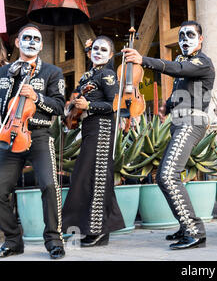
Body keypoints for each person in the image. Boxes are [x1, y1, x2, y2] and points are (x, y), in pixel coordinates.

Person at [123, 21, 215, 250]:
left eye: (190, 35)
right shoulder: (185, 62)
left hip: (192, 123)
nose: (185, 39)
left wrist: (143, 59)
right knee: (166, 175)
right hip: (180, 122)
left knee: (167, 175)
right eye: (181, 35)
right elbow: (181, 87)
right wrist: (167, 106)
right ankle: (186, 227)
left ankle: (194, 231)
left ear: (201, 39)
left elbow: (179, 69)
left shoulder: (202, 62)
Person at [0, 24, 66, 259]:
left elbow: (59, 106)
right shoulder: (3, 72)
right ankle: (13, 240)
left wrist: (37, 97)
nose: (31, 42)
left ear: (41, 44)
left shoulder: (52, 72)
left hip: (38, 135)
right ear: (17, 42)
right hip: (8, 137)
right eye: (26, 38)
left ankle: (54, 240)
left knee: (49, 185)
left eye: (36, 39)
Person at [62, 35, 125, 247]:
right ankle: (93, 229)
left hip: (102, 128)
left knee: (97, 178)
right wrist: (72, 108)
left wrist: (89, 106)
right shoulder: (87, 76)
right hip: (89, 128)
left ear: (110, 55)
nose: (98, 52)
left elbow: (113, 105)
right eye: (95, 49)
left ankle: (99, 231)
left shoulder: (107, 74)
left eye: (103, 50)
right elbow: (77, 100)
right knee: (87, 176)